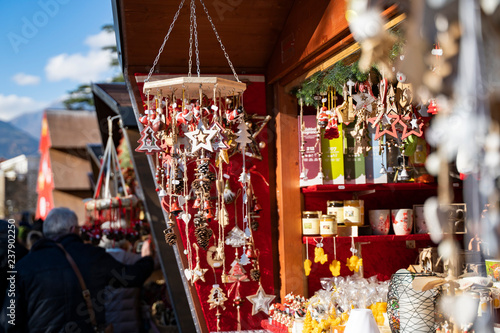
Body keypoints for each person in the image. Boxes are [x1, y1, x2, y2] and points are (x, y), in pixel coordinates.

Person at [0, 208, 154, 333]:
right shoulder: (92, 256)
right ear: (73, 229)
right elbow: (131, 277)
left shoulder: (23, 266)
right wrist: (147, 258)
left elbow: (9, 320)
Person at [98, 221, 146, 333]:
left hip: (108, 322)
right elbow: (155, 263)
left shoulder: (97, 261)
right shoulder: (133, 259)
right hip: (132, 320)